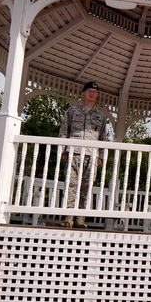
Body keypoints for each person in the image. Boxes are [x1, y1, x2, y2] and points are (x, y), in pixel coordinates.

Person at [58, 81, 108, 228]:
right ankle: (68, 218)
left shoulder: (101, 116)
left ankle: (80, 218)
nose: (92, 93)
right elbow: (63, 131)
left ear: (97, 95)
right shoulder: (72, 111)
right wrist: (63, 150)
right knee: (71, 185)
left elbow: (104, 137)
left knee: (86, 187)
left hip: (91, 155)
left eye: (94, 91)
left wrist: (101, 156)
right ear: (83, 93)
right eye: (89, 91)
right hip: (74, 152)